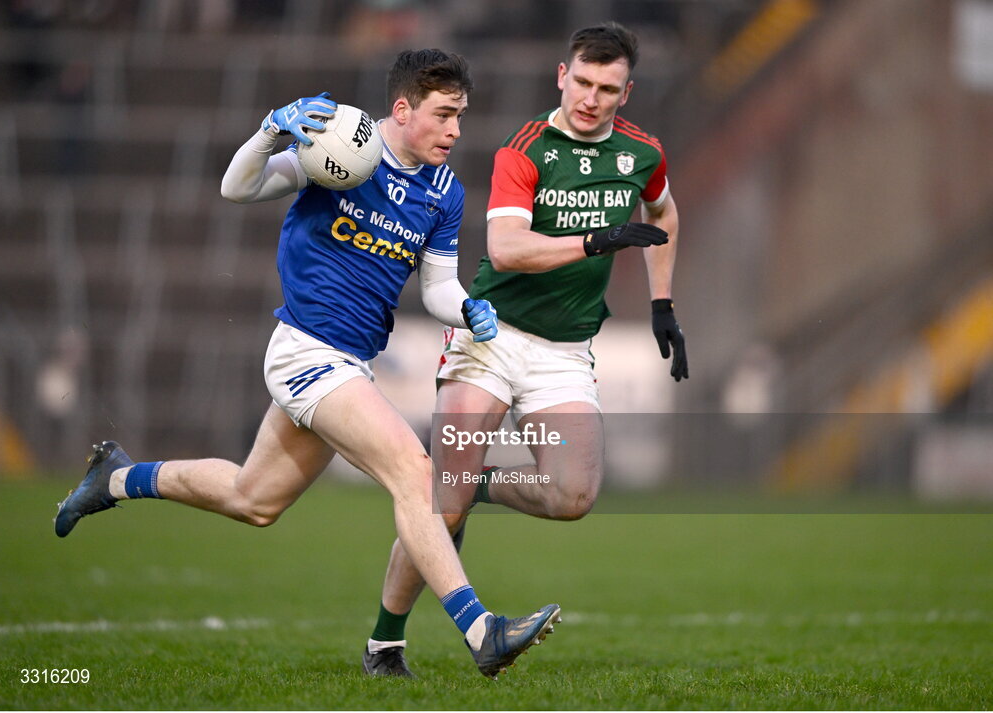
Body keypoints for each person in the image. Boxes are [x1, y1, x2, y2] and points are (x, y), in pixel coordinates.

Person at [54, 48, 560, 680]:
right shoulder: (342, 147)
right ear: (401, 110)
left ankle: (116, 479)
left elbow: (437, 288)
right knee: (415, 470)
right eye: (444, 115)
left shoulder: (444, 193)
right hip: (305, 352)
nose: (456, 130)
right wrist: (270, 132)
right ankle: (481, 630)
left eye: (461, 115)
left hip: (350, 363)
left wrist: (467, 310)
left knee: (254, 499)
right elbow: (235, 187)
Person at [361, 23, 688, 678]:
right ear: (561, 76)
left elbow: (665, 216)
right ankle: (384, 643)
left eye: (607, 88)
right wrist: (596, 241)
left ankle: (477, 483)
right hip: (491, 334)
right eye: (582, 82)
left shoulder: (642, 153)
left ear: (627, 92)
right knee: (440, 500)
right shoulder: (525, 149)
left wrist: (661, 304)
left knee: (571, 497)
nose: (591, 98)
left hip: (564, 350)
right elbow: (507, 249)